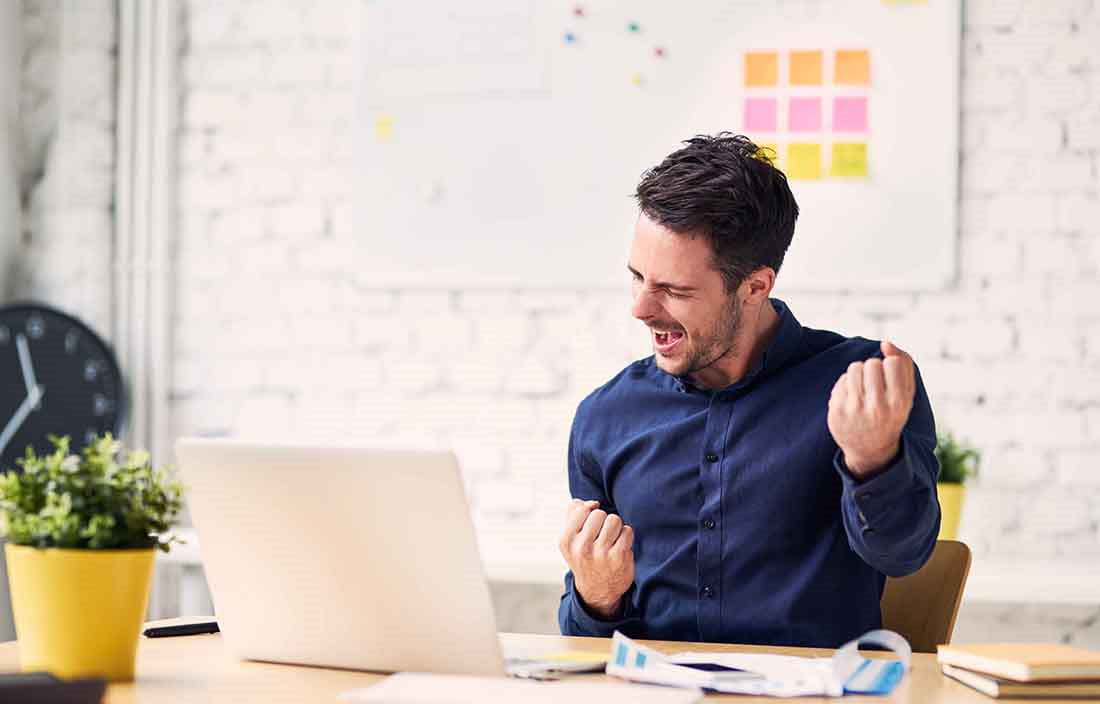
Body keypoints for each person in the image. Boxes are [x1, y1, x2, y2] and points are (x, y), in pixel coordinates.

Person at [557, 134, 940, 648]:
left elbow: (903, 555)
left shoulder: (863, 386)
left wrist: (874, 459)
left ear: (756, 286)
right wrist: (596, 597)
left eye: (673, 289)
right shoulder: (605, 417)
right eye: (637, 277)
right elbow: (582, 639)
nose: (642, 308)